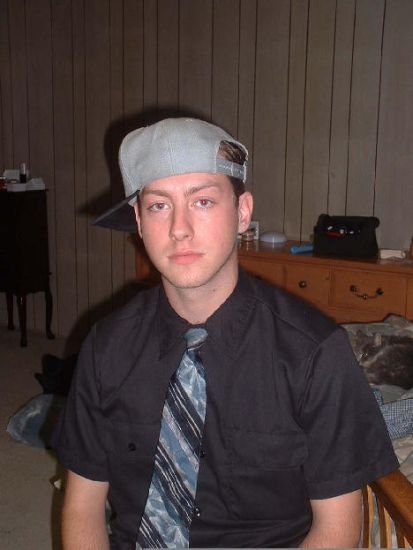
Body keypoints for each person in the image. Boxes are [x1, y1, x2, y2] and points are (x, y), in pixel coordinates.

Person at [53, 117, 399, 549]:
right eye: (159, 206)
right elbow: (82, 507)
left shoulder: (315, 353)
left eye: (202, 201)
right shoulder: (107, 346)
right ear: (138, 221)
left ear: (242, 213)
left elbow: (337, 530)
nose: (179, 228)